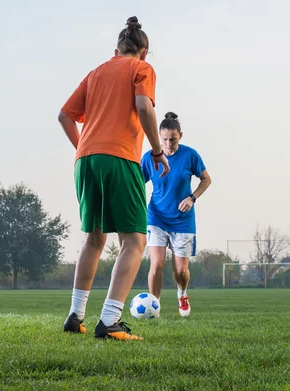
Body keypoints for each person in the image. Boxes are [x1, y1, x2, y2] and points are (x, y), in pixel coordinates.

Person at [58, 17, 169, 341]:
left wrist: (85, 147)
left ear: (116, 50)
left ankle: (75, 316)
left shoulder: (96, 73)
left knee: (94, 238)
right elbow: (144, 107)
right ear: (144, 52)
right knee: (134, 240)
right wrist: (157, 152)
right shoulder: (142, 70)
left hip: (85, 160)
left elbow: (65, 115)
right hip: (120, 158)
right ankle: (109, 320)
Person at [141, 112, 212, 316]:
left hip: (182, 221)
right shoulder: (150, 158)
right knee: (157, 264)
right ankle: (154, 307)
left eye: (173, 139)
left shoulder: (190, 156)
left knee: (180, 271)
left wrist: (192, 198)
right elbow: (137, 182)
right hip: (156, 217)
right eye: (164, 140)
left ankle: (182, 294)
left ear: (180, 135)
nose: (169, 144)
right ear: (158, 137)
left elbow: (206, 179)